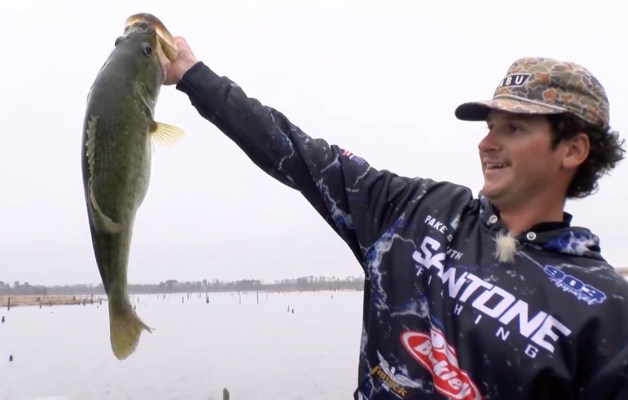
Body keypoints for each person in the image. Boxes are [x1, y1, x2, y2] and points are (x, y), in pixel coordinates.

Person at [164, 37, 628, 399]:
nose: (486, 143)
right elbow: (296, 152)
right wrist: (192, 74)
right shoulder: (417, 211)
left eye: (515, 128)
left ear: (573, 150)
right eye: (490, 128)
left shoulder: (606, 310)